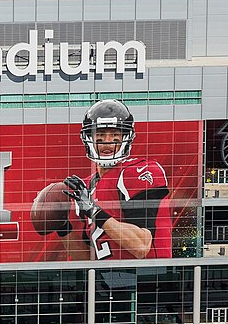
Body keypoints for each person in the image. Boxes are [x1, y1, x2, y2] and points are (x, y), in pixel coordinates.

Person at [58, 99, 174, 259]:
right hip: (105, 280)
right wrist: (62, 228)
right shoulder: (86, 186)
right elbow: (86, 258)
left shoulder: (138, 172)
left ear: (126, 138)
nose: (107, 142)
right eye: (100, 135)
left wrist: (94, 211)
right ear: (89, 138)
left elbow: (141, 246)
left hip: (145, 279)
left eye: (114, 135)